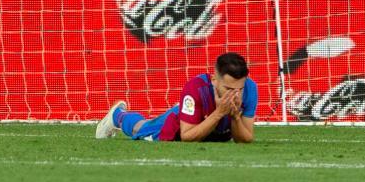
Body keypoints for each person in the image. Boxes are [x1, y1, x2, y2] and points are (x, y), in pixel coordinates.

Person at [95, 52, 257, 143]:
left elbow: (245, 139)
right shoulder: (195, 88)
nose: (235, 94)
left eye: (239, 89)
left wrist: (235, 117)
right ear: (214, 80)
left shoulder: (250, 89)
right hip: (178, 125)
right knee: (141, 128)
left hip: (214, 130)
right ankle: (118, 115)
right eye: (228, 88)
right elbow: (187, 136)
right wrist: (219, 113)